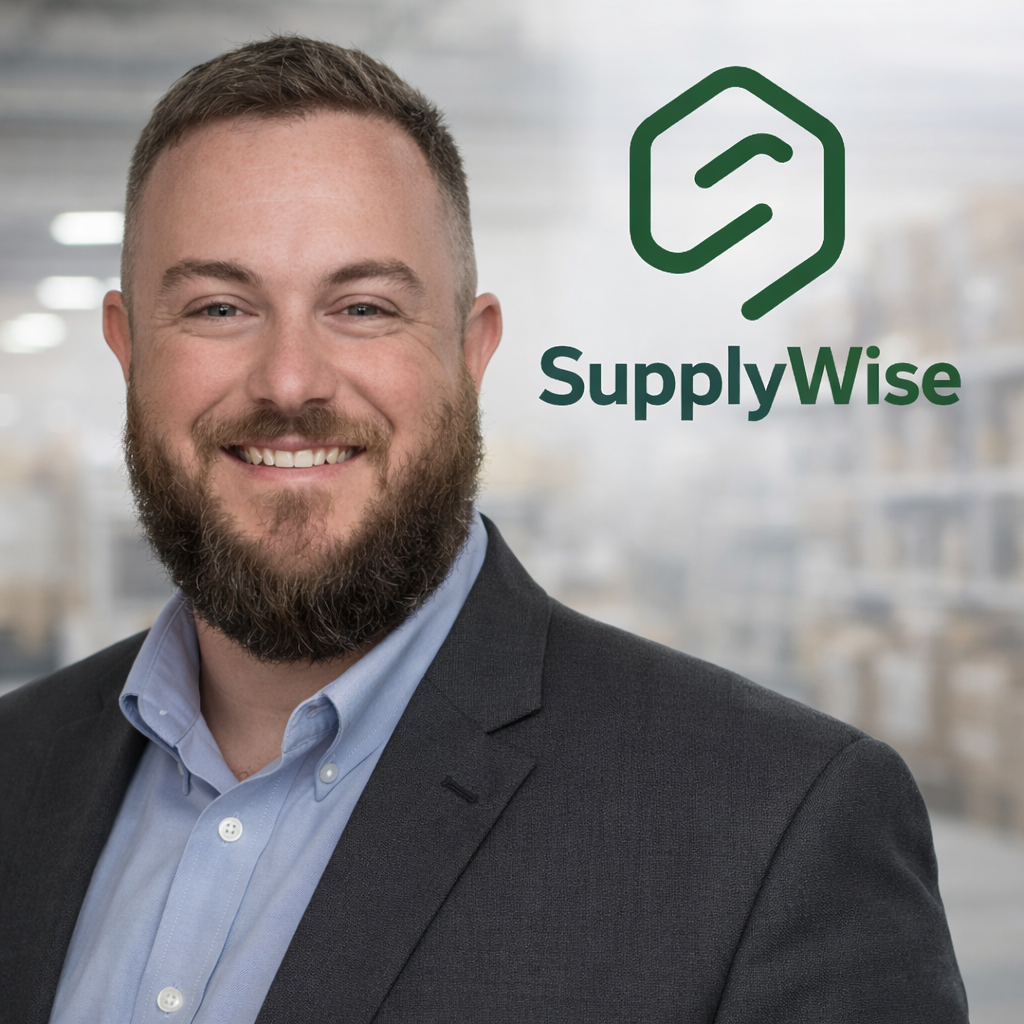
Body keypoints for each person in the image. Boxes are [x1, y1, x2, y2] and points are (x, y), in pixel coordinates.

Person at [0, 35, 967, 1024]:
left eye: (364, 307)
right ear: (127, 350)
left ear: (471, 353)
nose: (289, 380)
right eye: (217, 306)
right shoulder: (17, 765)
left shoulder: (772, 828)